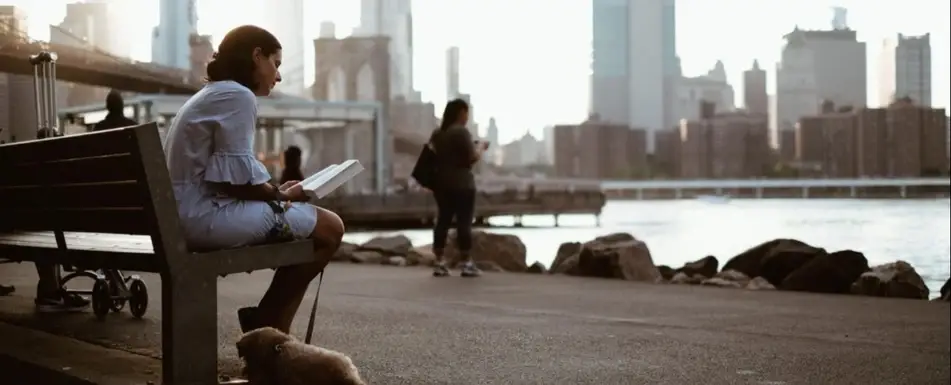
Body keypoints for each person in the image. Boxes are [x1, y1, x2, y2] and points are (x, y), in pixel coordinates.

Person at [162, 25, 344, 335]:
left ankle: (272, 329)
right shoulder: (237, 95)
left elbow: (225, 178)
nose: (279, 75)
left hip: (179, 214)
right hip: (201, 219)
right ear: (256, 56)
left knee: (312, 225)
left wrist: (276, 192)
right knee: (330, 227)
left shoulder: (210, 94)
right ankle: (269, 328)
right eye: (276, 63)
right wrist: (283, 196)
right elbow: (238, 183)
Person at [427, 98, 488, 278]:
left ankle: (439, 262)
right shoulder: (461, 132)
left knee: (442, 221)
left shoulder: (438, 134)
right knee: (464, 222)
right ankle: (466, 263)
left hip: (442, 184)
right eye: (466, 112)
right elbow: (471, 158)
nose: (467, 116)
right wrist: (481, 148)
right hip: (462, 184)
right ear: (461, 113)